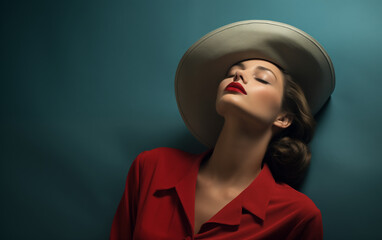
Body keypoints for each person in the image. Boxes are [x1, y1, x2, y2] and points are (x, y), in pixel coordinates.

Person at [110, 20, 335, 239]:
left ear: (283, 117)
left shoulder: (298, 217)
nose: (238, 75)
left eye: (262, 79)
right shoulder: (152, 167)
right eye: (231, 73)